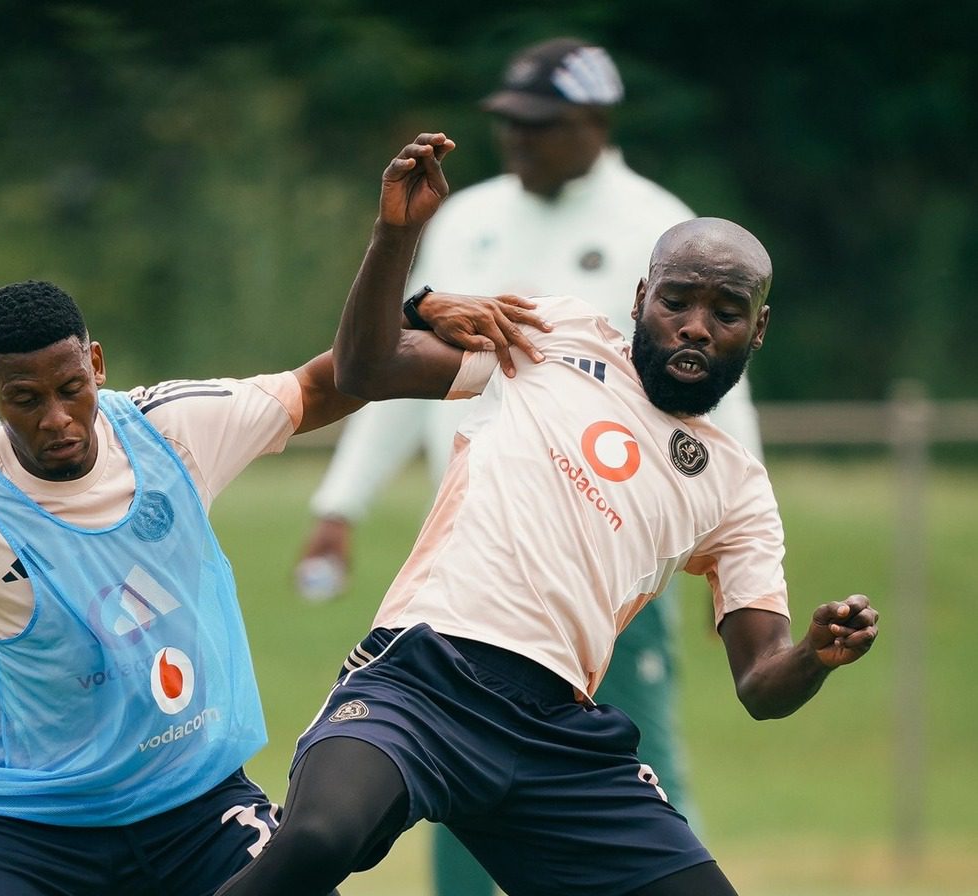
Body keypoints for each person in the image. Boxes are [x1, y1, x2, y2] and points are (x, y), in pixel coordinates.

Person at [215, 134, 879, 896]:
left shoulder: (738, 487)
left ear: (757, 330)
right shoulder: (553, 336)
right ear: (641, 297)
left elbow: (761, 682)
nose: (696, 325)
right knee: (317, 838)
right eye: (676, 301)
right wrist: (397, 238)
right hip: (424, 678)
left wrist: (815, 655)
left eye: (726, 312)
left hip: (556, 736)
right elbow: (368, 367)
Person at [0, 278, 538, 896]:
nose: (56, 418)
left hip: (198, 813)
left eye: (71, 388)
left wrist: (414, 316)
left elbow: (320, 385)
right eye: (26, 399)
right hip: (23, 827)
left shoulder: (170, 429)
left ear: (97, 365)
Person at [293, 39, 758, 888]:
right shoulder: (467, 217)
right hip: (479, 554)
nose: (518, 138)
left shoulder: (656, 224)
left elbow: (719, 405)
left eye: (540, 124)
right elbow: (406, 367)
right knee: (447, 789)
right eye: (509, 121)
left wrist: (730, 563)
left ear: (596, 123)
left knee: (633, 774)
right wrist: (340, 503)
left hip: (610, 568)